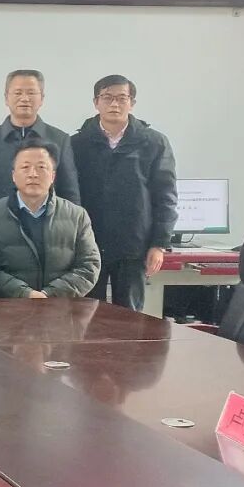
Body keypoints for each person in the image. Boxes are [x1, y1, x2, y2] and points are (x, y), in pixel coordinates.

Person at [71, 74, 178, 311]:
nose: (114, 104)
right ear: (96, 102)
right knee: (85, 315)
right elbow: (69, 195)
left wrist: (159, 244)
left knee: (130, 317)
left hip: (134, 246)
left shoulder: (154, 143)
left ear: (132, 103)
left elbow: (166, 198)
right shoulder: (77, 144)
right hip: (88, 244)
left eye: (122, 98)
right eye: (107, 97)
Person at [0, 140, 100, 299]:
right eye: (25, 167)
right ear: (13, 175)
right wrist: (25, 294)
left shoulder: (77, 216)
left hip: (62, 307)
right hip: (8, 308)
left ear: (53, 175)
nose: (33, 174)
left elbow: (89, 266)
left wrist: (49, 295)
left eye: (41, 167)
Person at [0, 69, 81, 216]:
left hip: (48, 223)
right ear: (6, 98)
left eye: (31, 93)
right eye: (18, 93)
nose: (24, 98)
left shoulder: (59, 139)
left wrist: (72, 223)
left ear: (42, 98)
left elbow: (69, 192)